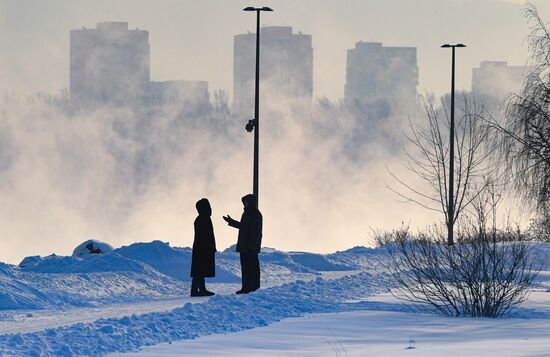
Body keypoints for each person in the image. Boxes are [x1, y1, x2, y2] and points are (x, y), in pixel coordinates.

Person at [223, 194, 263, 294]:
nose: (244, 204)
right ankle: (246, 287)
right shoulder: (246, 213)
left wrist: (251, 246)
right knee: (245, 268)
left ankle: (253, 288)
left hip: (250, 247)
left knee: (252, 268)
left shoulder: (255, 214)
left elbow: (256, 232)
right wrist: (231, 222)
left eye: (246, 202)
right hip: (244, 247)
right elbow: (243, 227)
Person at [190, 198, 217, 297]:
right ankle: (196, 290)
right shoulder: (203, 219)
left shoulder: (202, 218)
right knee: (199, 270)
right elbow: (206, 236)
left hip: (201, 248)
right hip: (203, 248)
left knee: (200, 270)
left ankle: (201, 289)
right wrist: (210, 247)